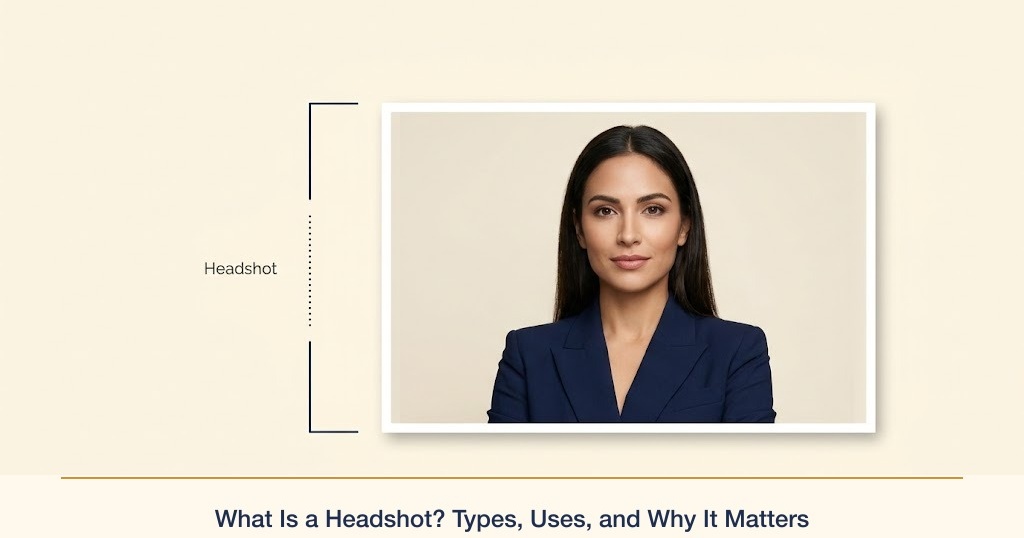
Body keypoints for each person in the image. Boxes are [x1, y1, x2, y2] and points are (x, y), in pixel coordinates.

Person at [487, 125, 776, 423]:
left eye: (653, 209)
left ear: (684, 226)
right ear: (579, 229)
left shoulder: (736, 351)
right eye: (605, 211)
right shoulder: (528, 355)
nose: (628, 235)